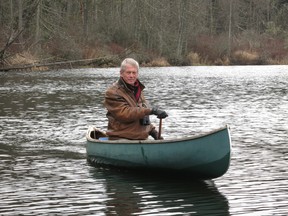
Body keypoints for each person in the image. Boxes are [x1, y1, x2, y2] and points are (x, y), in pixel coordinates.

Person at [104, 58, 168, 140]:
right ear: (121, 73)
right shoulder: (113, 92)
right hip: (121, 139)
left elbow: (143, 115)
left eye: (134, 72)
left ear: (137, 74)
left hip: (139, 139)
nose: (131, 76)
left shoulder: (138, 90)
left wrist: (153, 132)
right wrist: (152, 111)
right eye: (128, 72)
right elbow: (126, 114)